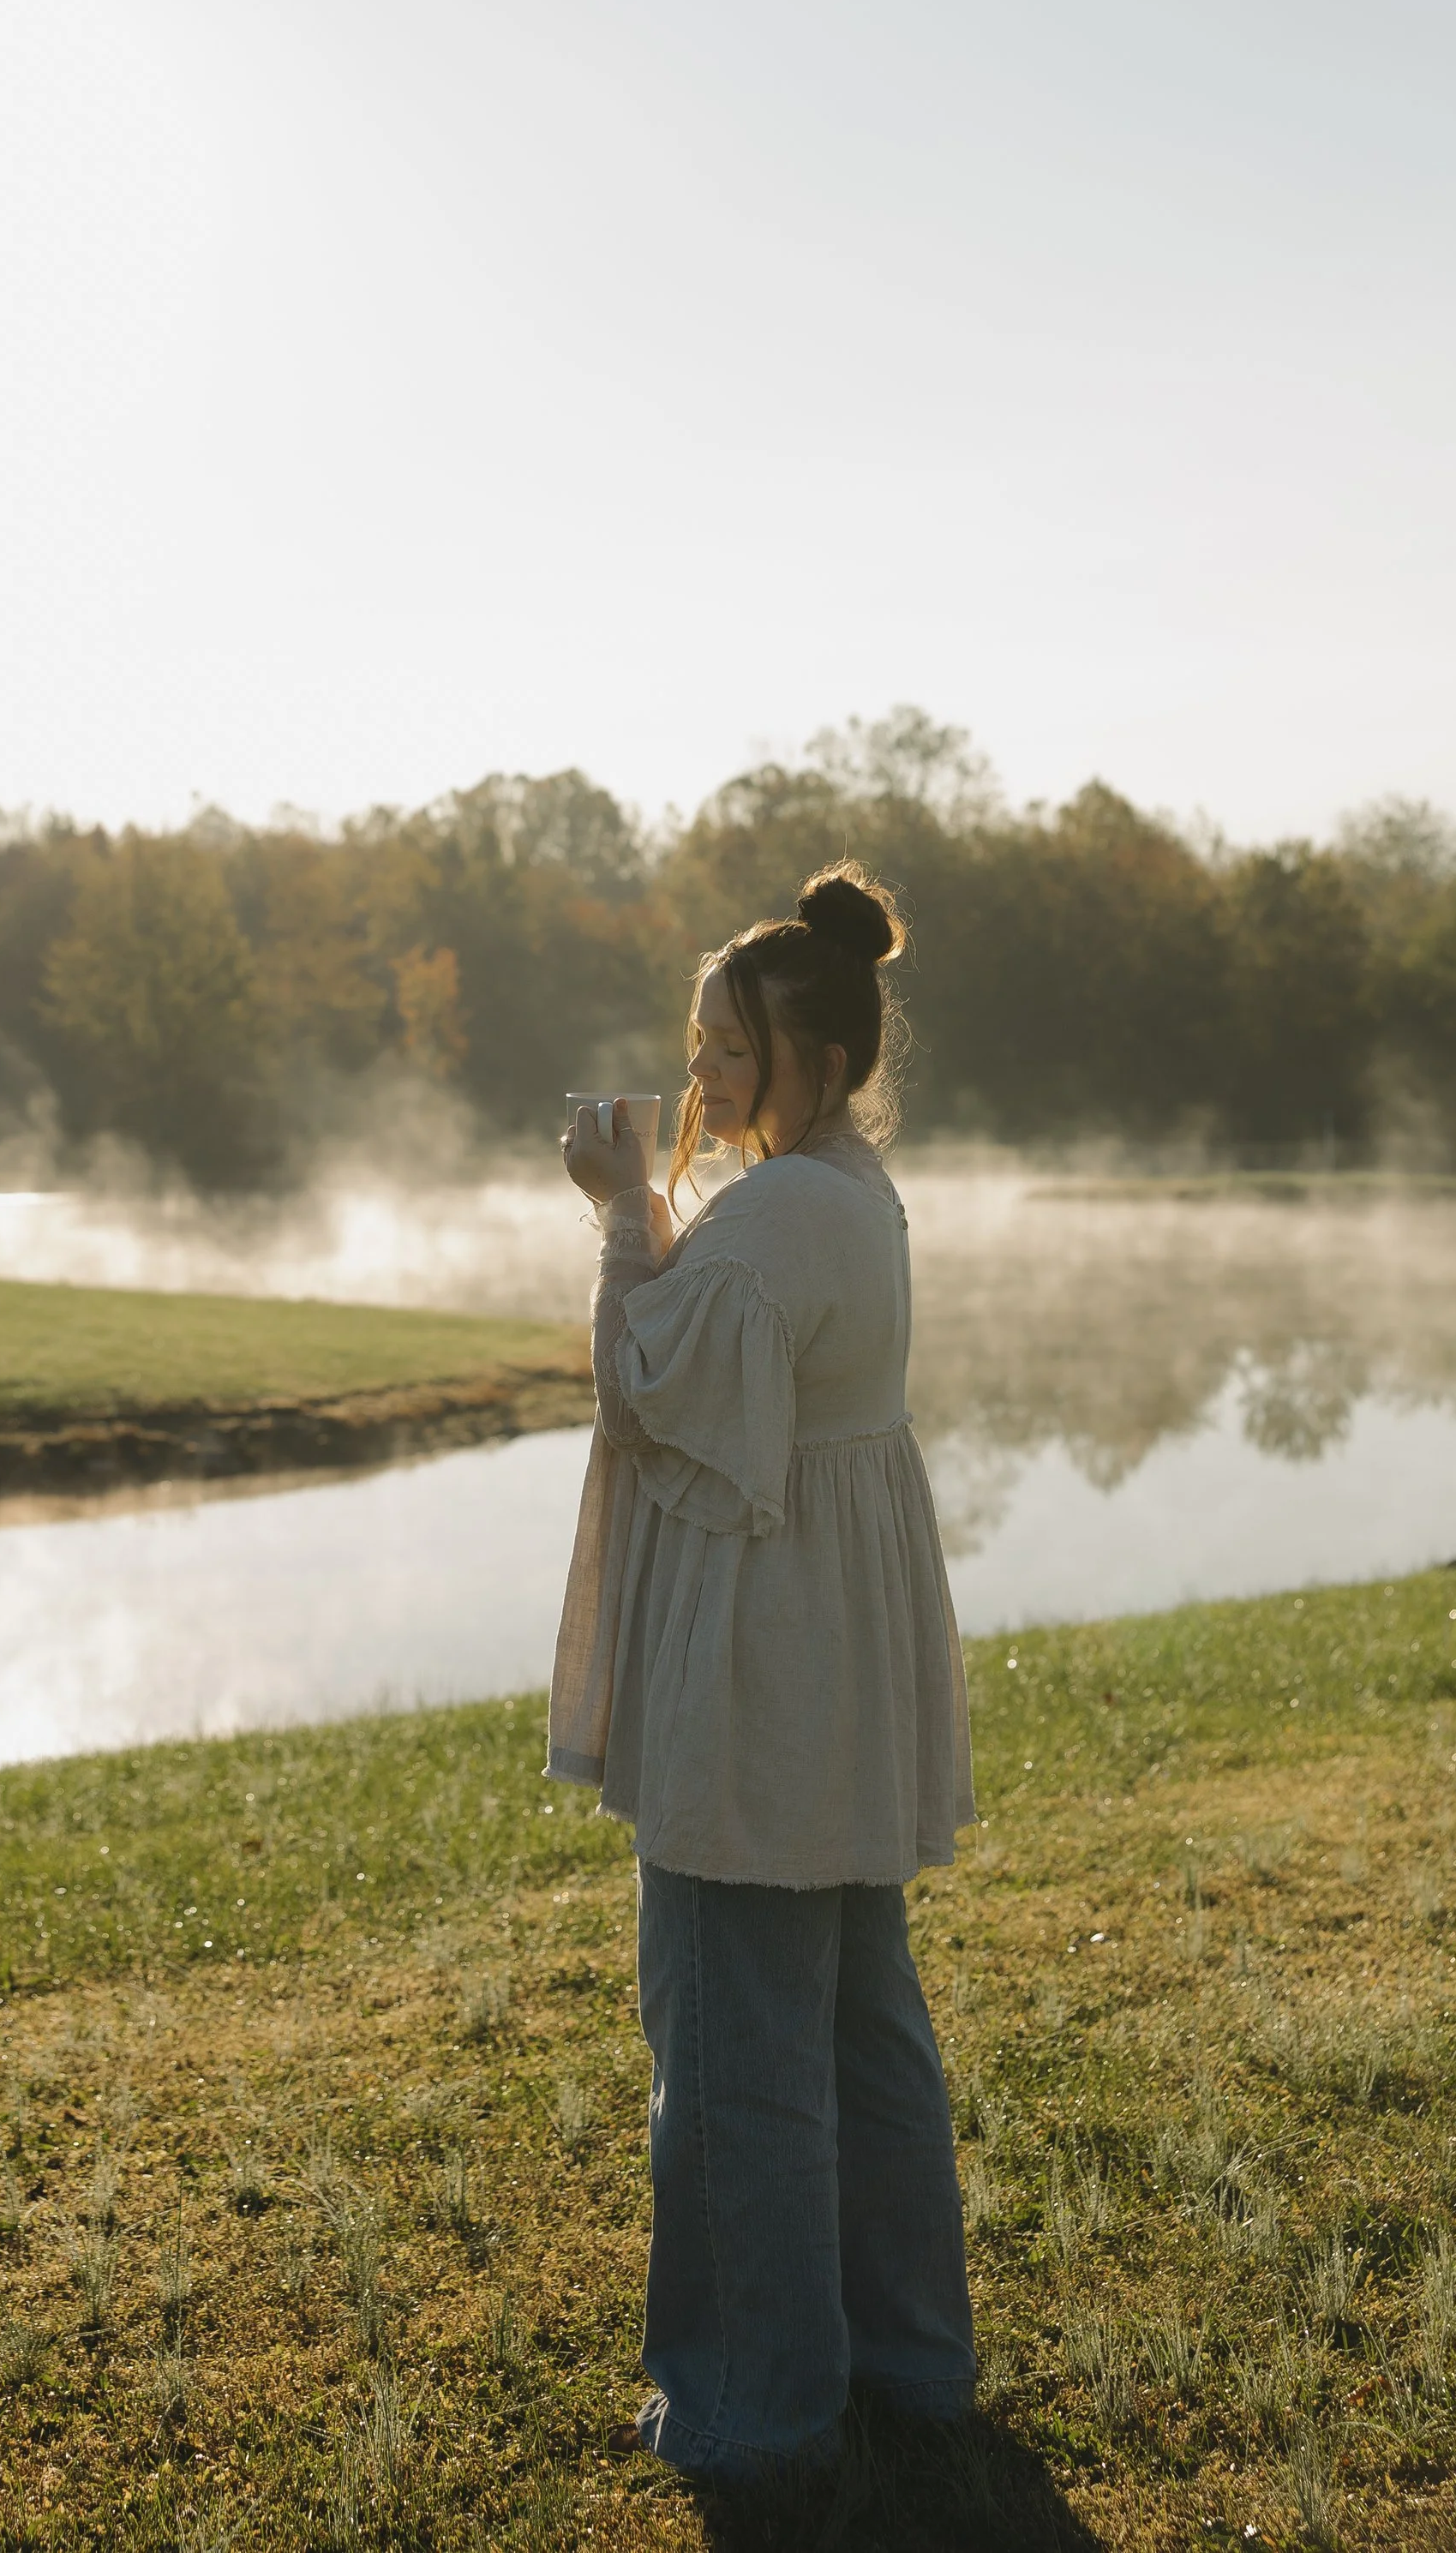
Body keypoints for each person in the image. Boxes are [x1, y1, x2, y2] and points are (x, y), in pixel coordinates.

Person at [549, 862, 976, 2484]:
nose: (711, 1078)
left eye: (735, 1050)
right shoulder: (846, 1193)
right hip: (837, 1653)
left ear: (831, 1056)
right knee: (862, 2025)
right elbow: (726, 1354)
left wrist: (612, 1212)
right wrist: (655, 1215)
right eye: (702, 1045)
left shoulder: (785, 1206)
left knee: (734, 2047)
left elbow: (654, 1387)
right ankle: (908, 2365)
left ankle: (761, 2405)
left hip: (768, 1661)